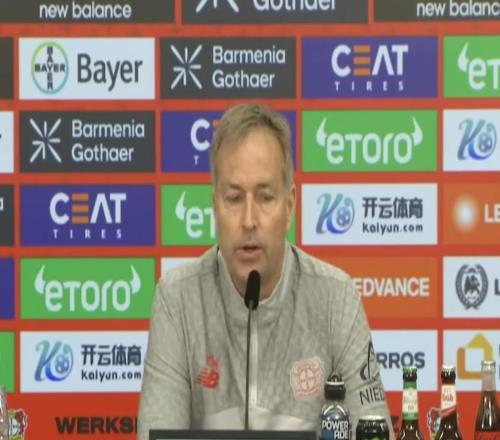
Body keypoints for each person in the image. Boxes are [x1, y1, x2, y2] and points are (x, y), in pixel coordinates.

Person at [137, 103, 392, 439]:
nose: (248, 220)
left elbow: (373, 430)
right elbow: (157, 432)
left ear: (290, 205)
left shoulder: (335, 298)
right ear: (214, 206)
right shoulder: (178, 300)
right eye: (233, 198)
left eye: (265, 197)